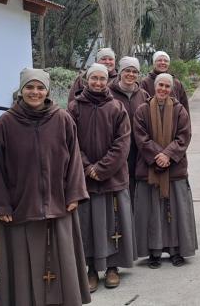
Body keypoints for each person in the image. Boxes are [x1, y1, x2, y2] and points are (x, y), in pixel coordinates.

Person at [0, 68, 90, 306]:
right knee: (23, 267)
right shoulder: (5, 125)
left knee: (62, 263)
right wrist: (1, 205)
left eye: (40, 87)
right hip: (21, 206)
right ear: (21, 90)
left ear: (48, 91)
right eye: (30, 87)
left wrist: (74, 192)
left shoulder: (62, 119)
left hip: (59, 202)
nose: (35, 92)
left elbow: (74, 158)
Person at [68, 63, 136, 292]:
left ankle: (112, 267)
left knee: (113, 223)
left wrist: (103, 169)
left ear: (108, 81)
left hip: (112, 179)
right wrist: (88, 168)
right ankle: (91, 269)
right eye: (93, 78)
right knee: (88, 225)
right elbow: (70, 142)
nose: (98, 82)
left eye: (102, 79)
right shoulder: (75, 108)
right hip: (85, 179)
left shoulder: (117, 107)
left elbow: (123, 142)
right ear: (86, 80)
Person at [133, 73, 197, 269]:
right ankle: (154, 251)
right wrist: (157, 156)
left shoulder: (180, 111)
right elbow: (140, 138)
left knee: (177, 211)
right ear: (154, 86)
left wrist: (168, 155)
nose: (163, 89)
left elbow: (184, 136)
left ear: (171, 89)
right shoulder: (142, 110)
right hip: (149, 168)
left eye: (167, 86)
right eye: (160, 85)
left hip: (175, 168)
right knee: (152, 212)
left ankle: (176, 249)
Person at [109, 56, 150, 191]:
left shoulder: (143, 95)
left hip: (138, 151)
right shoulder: (108, 94)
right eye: (127, 70)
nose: (131, 74)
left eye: (134, 71)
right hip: (116, 150)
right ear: (120, 72)